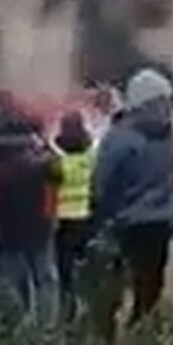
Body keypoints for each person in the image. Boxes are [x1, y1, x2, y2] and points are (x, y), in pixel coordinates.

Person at [91, 68, 173, 334]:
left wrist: (101, 213)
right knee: (149, 289)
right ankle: (143, 341)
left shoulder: (120, 137)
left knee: (111, 289)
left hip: (124, 223)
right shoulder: (169, 136)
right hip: (161, 221)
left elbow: (102, 180)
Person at [0, 118, 63, 320]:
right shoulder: (42, 166)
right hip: (39, 231)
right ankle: (47, 325)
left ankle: (16, 329)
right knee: (45, 281)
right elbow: (59, 170)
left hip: (6, 234)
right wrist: (47, 145)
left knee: (11, 284)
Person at [51, 111, 96, 321]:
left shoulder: (57, 163)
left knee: (65, 274)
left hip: (64, 223)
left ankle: (68, 314)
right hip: (88, 221)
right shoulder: (92, 158)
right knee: (87, 272)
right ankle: (87, 311)